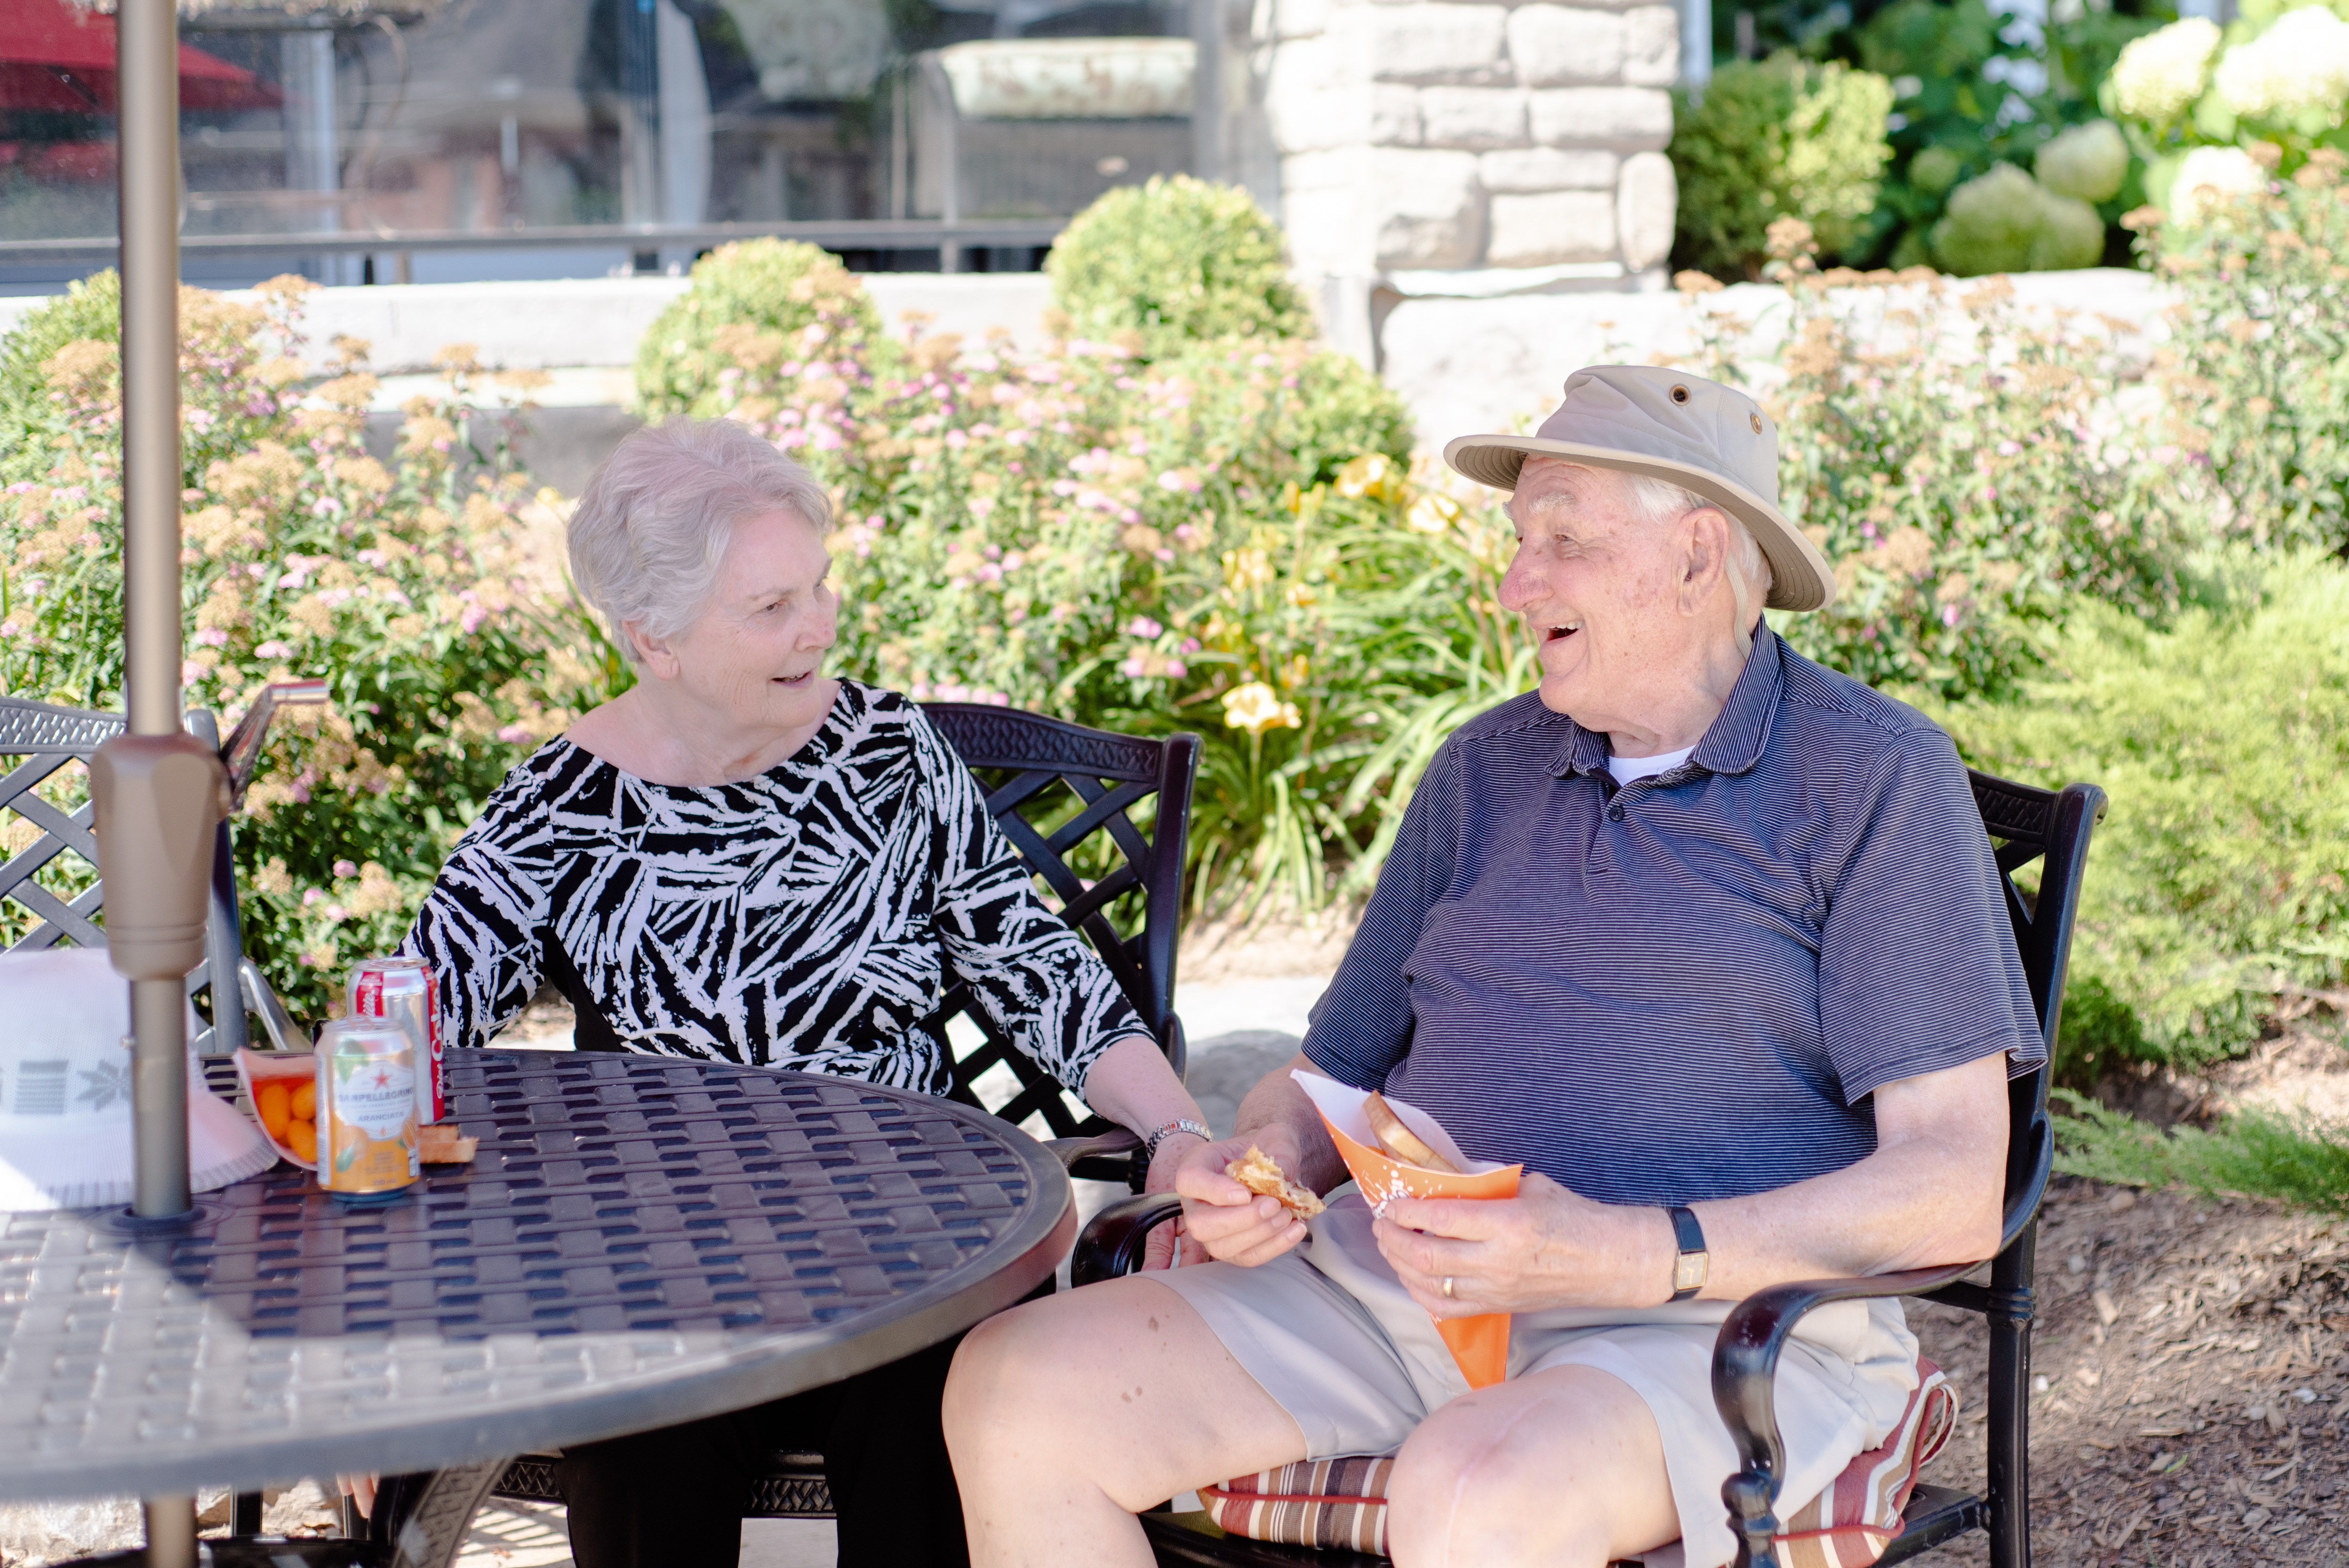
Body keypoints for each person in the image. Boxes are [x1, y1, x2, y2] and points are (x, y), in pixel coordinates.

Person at [941, 366, 2039, 1568]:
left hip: (1704, 1327)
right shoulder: (1486, 767)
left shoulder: (1872, 777)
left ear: (1696, 554)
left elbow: (1952, 1189)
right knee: (1016, 1387)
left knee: (1473, 1490)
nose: (1519, 584)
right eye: (1521, 542)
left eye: (1563, 539)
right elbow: (1324, 1077)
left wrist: (1624, 1248)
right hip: (1397, 1296)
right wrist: (1264, 1165)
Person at [397, 417, 1210, 1568]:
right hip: (669, 1267)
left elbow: (1041, 969)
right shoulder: (560, 805)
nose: (819, 625)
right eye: (771, 607)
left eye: (816, 586)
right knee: (639, 1447)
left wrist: (1176, 1129)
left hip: (913, 1245)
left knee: (948, 1420)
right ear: (654, 638)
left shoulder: (891, 756)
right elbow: (404, 1031)